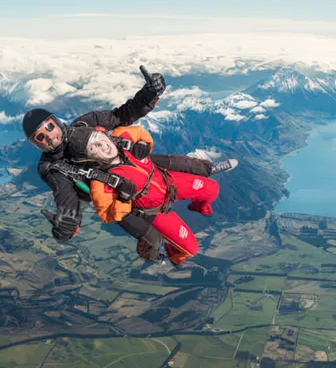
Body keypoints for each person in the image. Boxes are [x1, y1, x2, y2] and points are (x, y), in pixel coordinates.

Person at [22, 66, 237, 259]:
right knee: (152, 238)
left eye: (49, 127)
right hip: (120, 199)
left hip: (132, 163)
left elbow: (121, 115)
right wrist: (68, 223)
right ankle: (160, 255)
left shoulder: (85, 123)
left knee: (179, 163)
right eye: (40, 137)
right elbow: (65, 195)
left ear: (56, 121)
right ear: (36, 144)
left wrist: (150, 93)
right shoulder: (53, 167)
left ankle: (208, 170)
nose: (49, 137)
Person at [69, 124, 223, 265]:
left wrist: (144, 144)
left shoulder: (123, 139)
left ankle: (200, 206)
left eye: (99, 138)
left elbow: (140, 132)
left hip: (168, 182)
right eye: (93, 147)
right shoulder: (101, 183)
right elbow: (107, 215)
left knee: (213, 189)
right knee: (190, 249)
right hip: (155, 212)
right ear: (88, 159)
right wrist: (123, 199)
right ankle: (173, 254)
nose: (102, 145)